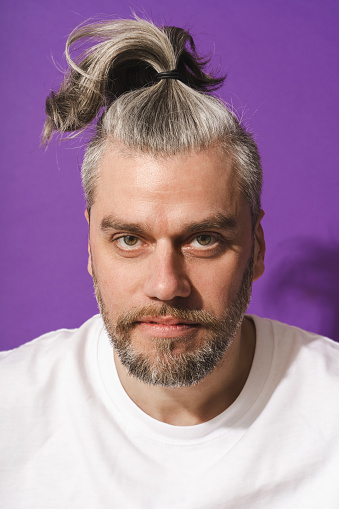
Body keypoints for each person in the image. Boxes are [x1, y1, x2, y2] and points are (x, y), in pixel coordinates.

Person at [1, 17, 338, 508]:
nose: (166, 285)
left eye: (203, 239)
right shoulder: (11, 410)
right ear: (90, 246)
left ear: (257, 247)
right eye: (129, 239)